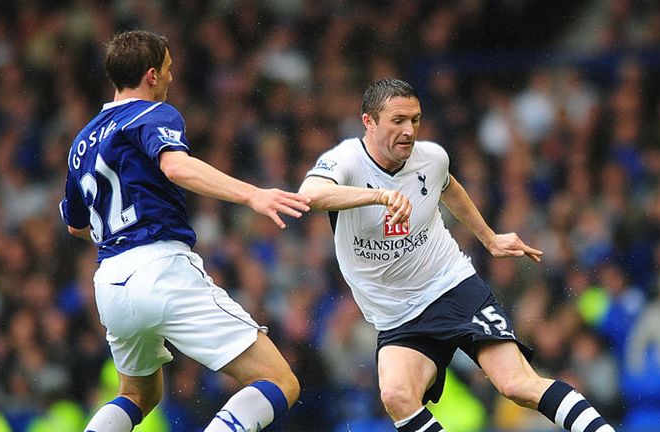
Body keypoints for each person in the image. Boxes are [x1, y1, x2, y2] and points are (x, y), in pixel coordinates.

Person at [299, 78, 616, 432]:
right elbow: (310, 194)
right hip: (397, 317)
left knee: (516, 385)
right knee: (396, 396)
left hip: (451, 288)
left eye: (415, 120)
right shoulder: (344, 161)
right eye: (398, 120)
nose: (409, 131)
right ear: (369, 122)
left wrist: (490, 238)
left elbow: (448, 186)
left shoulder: (431, 158)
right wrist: (378, 196)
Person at [59, 30, 310, 432]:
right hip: (159, 267)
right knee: (278, 380)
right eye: (171, 70)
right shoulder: (153, 113)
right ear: (152, 74)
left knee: (138, 395)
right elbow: (175, 166)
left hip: (109, 283)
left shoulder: (82, 142)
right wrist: (252, 196)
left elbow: (75, 225)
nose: (173, 79)